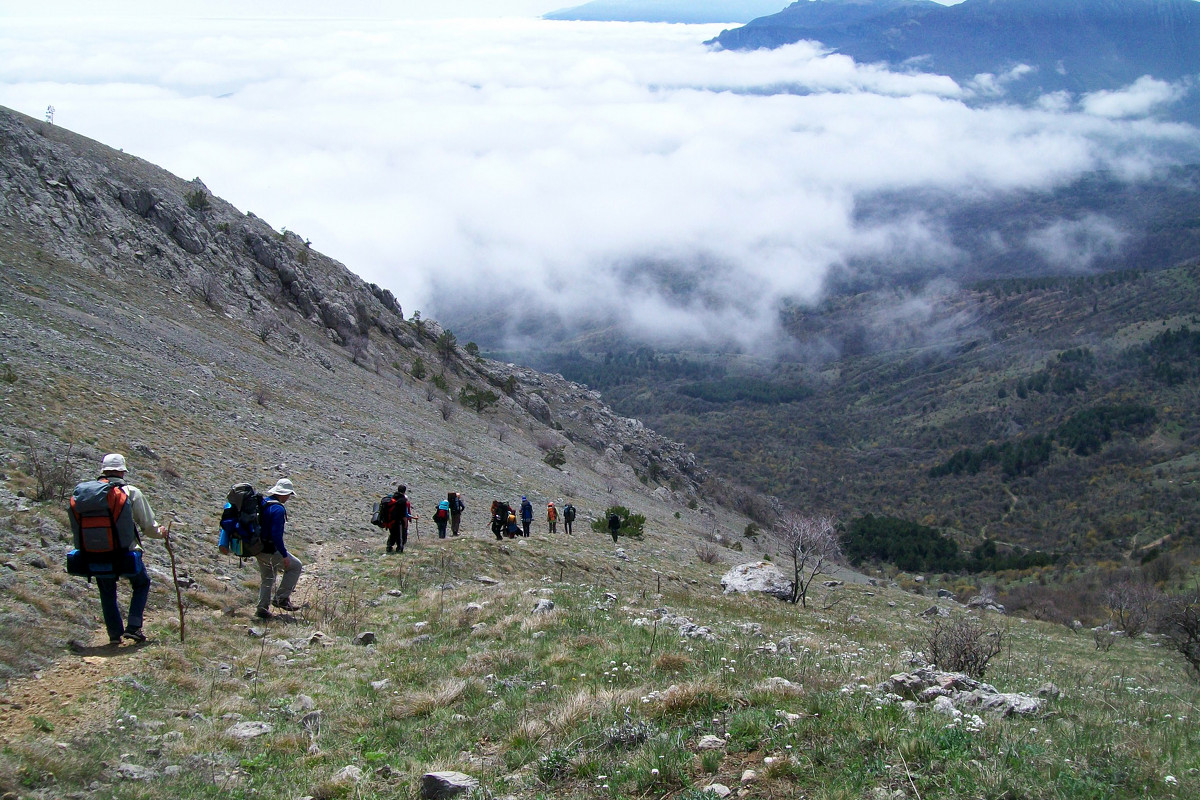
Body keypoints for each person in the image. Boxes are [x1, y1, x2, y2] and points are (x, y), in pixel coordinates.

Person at [69, 453, 168, 646]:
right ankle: (133, 627)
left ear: (103, 470)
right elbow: (148, 526)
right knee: (141, 583)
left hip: (93, 553)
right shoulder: (131, 492)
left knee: (107, 591)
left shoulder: (87, 494)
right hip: (125, 552)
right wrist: (161, 532)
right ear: (123, 471)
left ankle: (114, 635)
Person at [255, 478, 303, 619]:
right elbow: (276, 535)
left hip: (257, 548)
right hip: (270, 549)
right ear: (284, 494)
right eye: (288, 495)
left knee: (268, 577)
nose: (288, 498)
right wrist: (284, 555)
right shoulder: (278, 509)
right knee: (295, 566)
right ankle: (281, 598)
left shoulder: (264, 503)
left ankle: (262, 609)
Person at [385, 485, 412, 554]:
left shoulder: (393, 497)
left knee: (393, 534)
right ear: (404, 491)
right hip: (398, 521)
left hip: (390, 520)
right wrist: (406, 523)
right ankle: (399, 549)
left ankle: (389, 547)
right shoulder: (403, 500)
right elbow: (403, 514)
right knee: (400, 535)